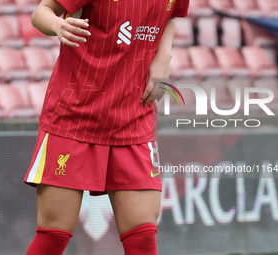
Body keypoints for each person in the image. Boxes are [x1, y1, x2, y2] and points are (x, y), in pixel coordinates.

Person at [24, 0, 189, 254]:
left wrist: (164, 55)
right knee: (53, 235)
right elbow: (41, 13)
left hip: (133, 119)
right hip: (73, 118)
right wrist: (58, 25)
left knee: (143, 237)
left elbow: (171, 16)